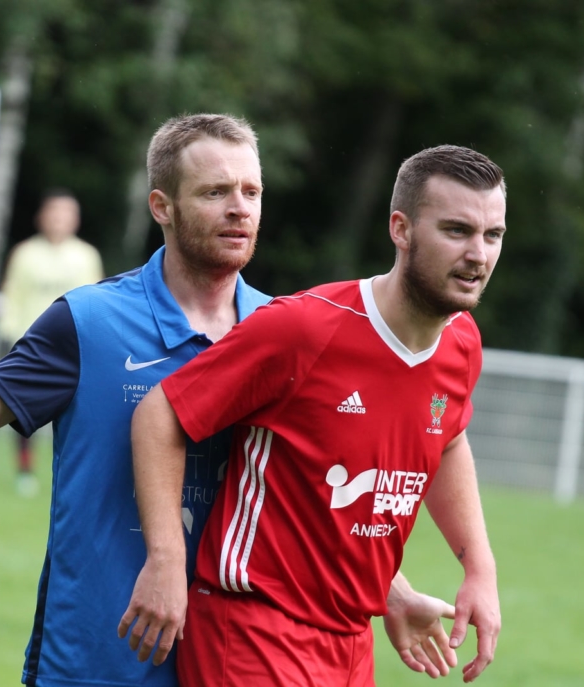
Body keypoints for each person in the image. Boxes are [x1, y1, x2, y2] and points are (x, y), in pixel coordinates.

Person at [0, 115, 460, 687]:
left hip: (232, 661)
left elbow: (304, 501)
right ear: (162, 206)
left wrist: (387, 590)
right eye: (216, 191)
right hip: (97, 657)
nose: (240, 209)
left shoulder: (285, 332)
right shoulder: (91, 322)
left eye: (252, 191)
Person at [120, 144, 505, 685]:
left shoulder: (462, 342)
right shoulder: (304, 329)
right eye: (457, 231)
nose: (478, 255)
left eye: (493, 236)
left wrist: (478, 570)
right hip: (256, 629)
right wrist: (164, 560)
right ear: (401, 229)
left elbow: (446, 440)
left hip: (352, 640)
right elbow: (160, 413)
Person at [0, 188, 103, 496]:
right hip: (30, 345)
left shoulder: (86, 256)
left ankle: (71, 474)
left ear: (75, 220)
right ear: (42, 217)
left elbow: (96, 300)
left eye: (65, 214)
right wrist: (9, 334)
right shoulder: (25, 254)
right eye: (53, 213)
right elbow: (12, 296)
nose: (58, 220)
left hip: (76, 345)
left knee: (78, 412)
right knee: (21, 411)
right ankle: (25, 471)